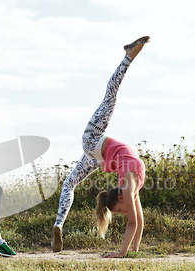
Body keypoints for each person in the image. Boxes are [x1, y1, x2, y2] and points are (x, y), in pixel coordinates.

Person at [51, 36, 149, 258]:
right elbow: (133, 223)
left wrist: (134, 251)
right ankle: (128, 57)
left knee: (69, 184)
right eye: (119, 212)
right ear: (120, 199)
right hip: (93, 139)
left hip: (97, 157)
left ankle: (58, 224)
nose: (122, 214)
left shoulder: (130, 187)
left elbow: (139, 221)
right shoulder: (128, 185)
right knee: (110, 98)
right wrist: (122, 254)